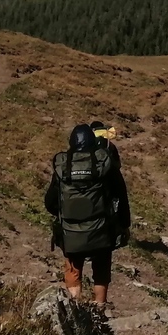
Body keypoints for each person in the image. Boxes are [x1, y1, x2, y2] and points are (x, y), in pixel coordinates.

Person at [43, 119, 129, 308]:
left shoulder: (63, 168)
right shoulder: (103, 163)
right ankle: (100, 306)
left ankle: (75, 305)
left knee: (73, 265)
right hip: (101, 230)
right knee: (102, 264)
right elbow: (120, 194)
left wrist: (65, 215)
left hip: (71, 232)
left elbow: (50, 202)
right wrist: (124, 223)